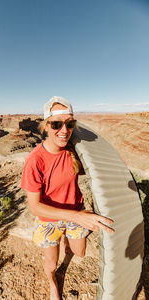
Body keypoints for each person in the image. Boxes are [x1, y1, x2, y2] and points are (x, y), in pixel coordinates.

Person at [21, 96, 114, 300]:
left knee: (79, 252)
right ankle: (52, 282)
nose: (64, 130)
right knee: (51, 264)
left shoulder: (73, 150)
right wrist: (78, 218)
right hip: (49, 219)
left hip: (75, 211)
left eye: (69, 123)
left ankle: (66, 240)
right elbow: (35, 207)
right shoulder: (35, 160)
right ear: (45, 126)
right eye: (56, 124)